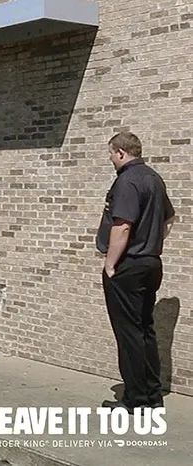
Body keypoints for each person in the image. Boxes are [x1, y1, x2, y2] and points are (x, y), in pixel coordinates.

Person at [97, 132, 175, 410]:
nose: (110, 159)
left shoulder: (127, 181)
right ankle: (152, 395)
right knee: (145, 329)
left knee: (129, 333)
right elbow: (169, 218)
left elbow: (123, 226)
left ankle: (135, 400)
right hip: (151, 263)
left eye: (110, 153)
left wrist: (110, 263)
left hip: (128, 265)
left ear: (120, 152)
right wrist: (153, 244)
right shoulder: (154, 178)